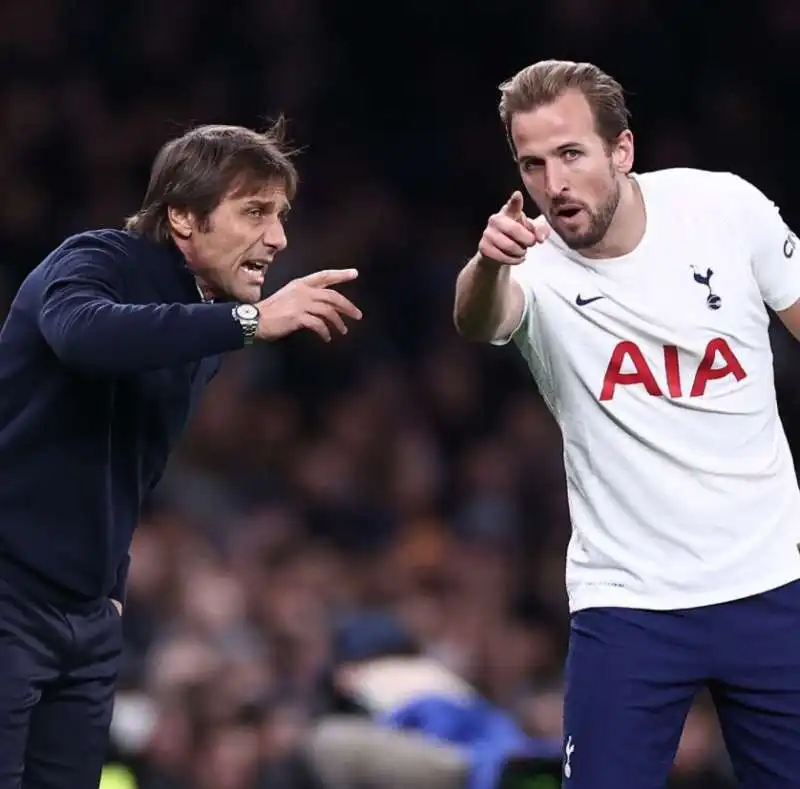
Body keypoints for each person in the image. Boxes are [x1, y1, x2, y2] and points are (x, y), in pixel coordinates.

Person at [453, 58, 800, 789]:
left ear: (623, 151)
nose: (554, 184)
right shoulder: (530, 265)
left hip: (772, 581)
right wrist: (486, 264)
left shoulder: (724, 209)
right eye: (533, 163)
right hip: (630, 605)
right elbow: (476, 316)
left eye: (571, 154)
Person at [0, 120, 361, 789]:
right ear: (183, 217)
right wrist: (251, 322)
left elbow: (134, 467)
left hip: (83, 621)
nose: (278, 238)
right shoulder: (98, 258)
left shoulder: (204, 326)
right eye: (255, 211)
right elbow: (82, 335)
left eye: (280, 216)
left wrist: (109, 588)